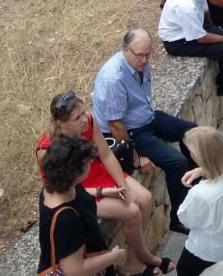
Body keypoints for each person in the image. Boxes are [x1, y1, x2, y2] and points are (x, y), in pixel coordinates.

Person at [36, 91, 174, 276]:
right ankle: (147, 258)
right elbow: (60, 186)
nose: (85, 119)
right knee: (132, 211)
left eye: (84, 112)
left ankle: (134, 261)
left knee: (145, 198)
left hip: (96, 173)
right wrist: (105, 191)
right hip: (81, 187)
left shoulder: (89, 123)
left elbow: (106, 155)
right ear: (60, 122)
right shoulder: (48, 150)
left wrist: (121, 185)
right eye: (77, 118)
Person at [92, 29, 197, 234]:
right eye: (140, 55)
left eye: (148, 54)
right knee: (177, 162)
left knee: (194, 134)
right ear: (125, 50)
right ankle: (178, 218)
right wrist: (136, 157)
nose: (145, 60)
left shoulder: (140, 65)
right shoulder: (113, 78)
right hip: (132, 131)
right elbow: (115, 125)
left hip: (147, 117)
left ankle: (195, 184)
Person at [36, 135, 127, 275]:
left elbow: (78, 198)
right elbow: (74, 270)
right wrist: (113, 257)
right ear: (74, 173)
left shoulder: (56, 187)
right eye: (86, 162)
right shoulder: (66, 220)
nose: (91, 161)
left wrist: (102, 192)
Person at [176, 127, 223, 276]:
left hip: (212, 247)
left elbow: (186, 219)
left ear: (200, 157)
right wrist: (202, 170)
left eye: (192, 152)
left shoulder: (200, 193)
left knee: (185, 270)